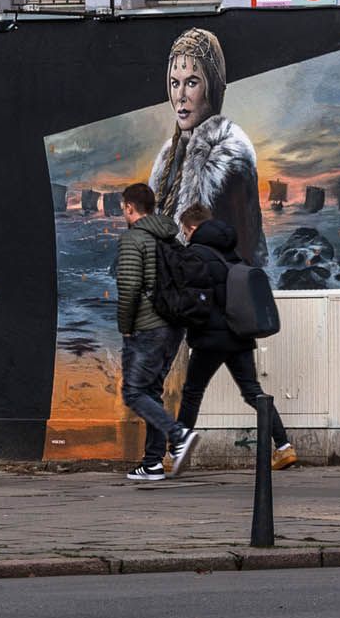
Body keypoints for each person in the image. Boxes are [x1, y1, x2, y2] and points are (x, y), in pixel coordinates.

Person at [171, 212, 298, 475]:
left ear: (193, 228)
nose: (184, 235)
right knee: (253, 391)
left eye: (185, 230)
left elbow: (195, 297)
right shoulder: (234, 255)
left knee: (193, 392)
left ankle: (175, 453)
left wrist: (185, 320)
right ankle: (284, 446)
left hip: (210, 337)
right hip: (239, 335)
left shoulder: (196, 254)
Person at [148, 27, 266, 269]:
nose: (180, 96)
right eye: (174, 83)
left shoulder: (229, 159)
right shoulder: (168, 157)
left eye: (191, 82)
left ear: (212, 86)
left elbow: (243, 255)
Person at [112, 181, 187, 483]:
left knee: (133, 391)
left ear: (129, 207)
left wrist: (126, 328)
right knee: (151, 391)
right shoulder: (171, 237)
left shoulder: (134, 239)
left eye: (122, 208)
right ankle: (153, 463)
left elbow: (129, 287)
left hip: (147, 327)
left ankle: (178, 434)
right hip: (173, 326)